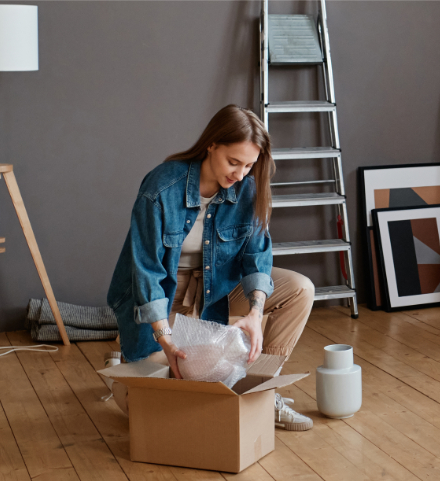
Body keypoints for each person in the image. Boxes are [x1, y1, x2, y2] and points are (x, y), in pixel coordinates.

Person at [106, 104, 316, 431]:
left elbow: (257, 256)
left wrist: (256, 313)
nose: (240, 174)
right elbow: (145, 270)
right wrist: (164, 337)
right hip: (162, 297)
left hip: (217, 288)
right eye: (233, 162)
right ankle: (120, 370)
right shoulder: (161, 188)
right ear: (212, 145)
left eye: (249, 165)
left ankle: (261, 390)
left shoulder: (247, 188)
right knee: (154, 413)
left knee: (301, 289)